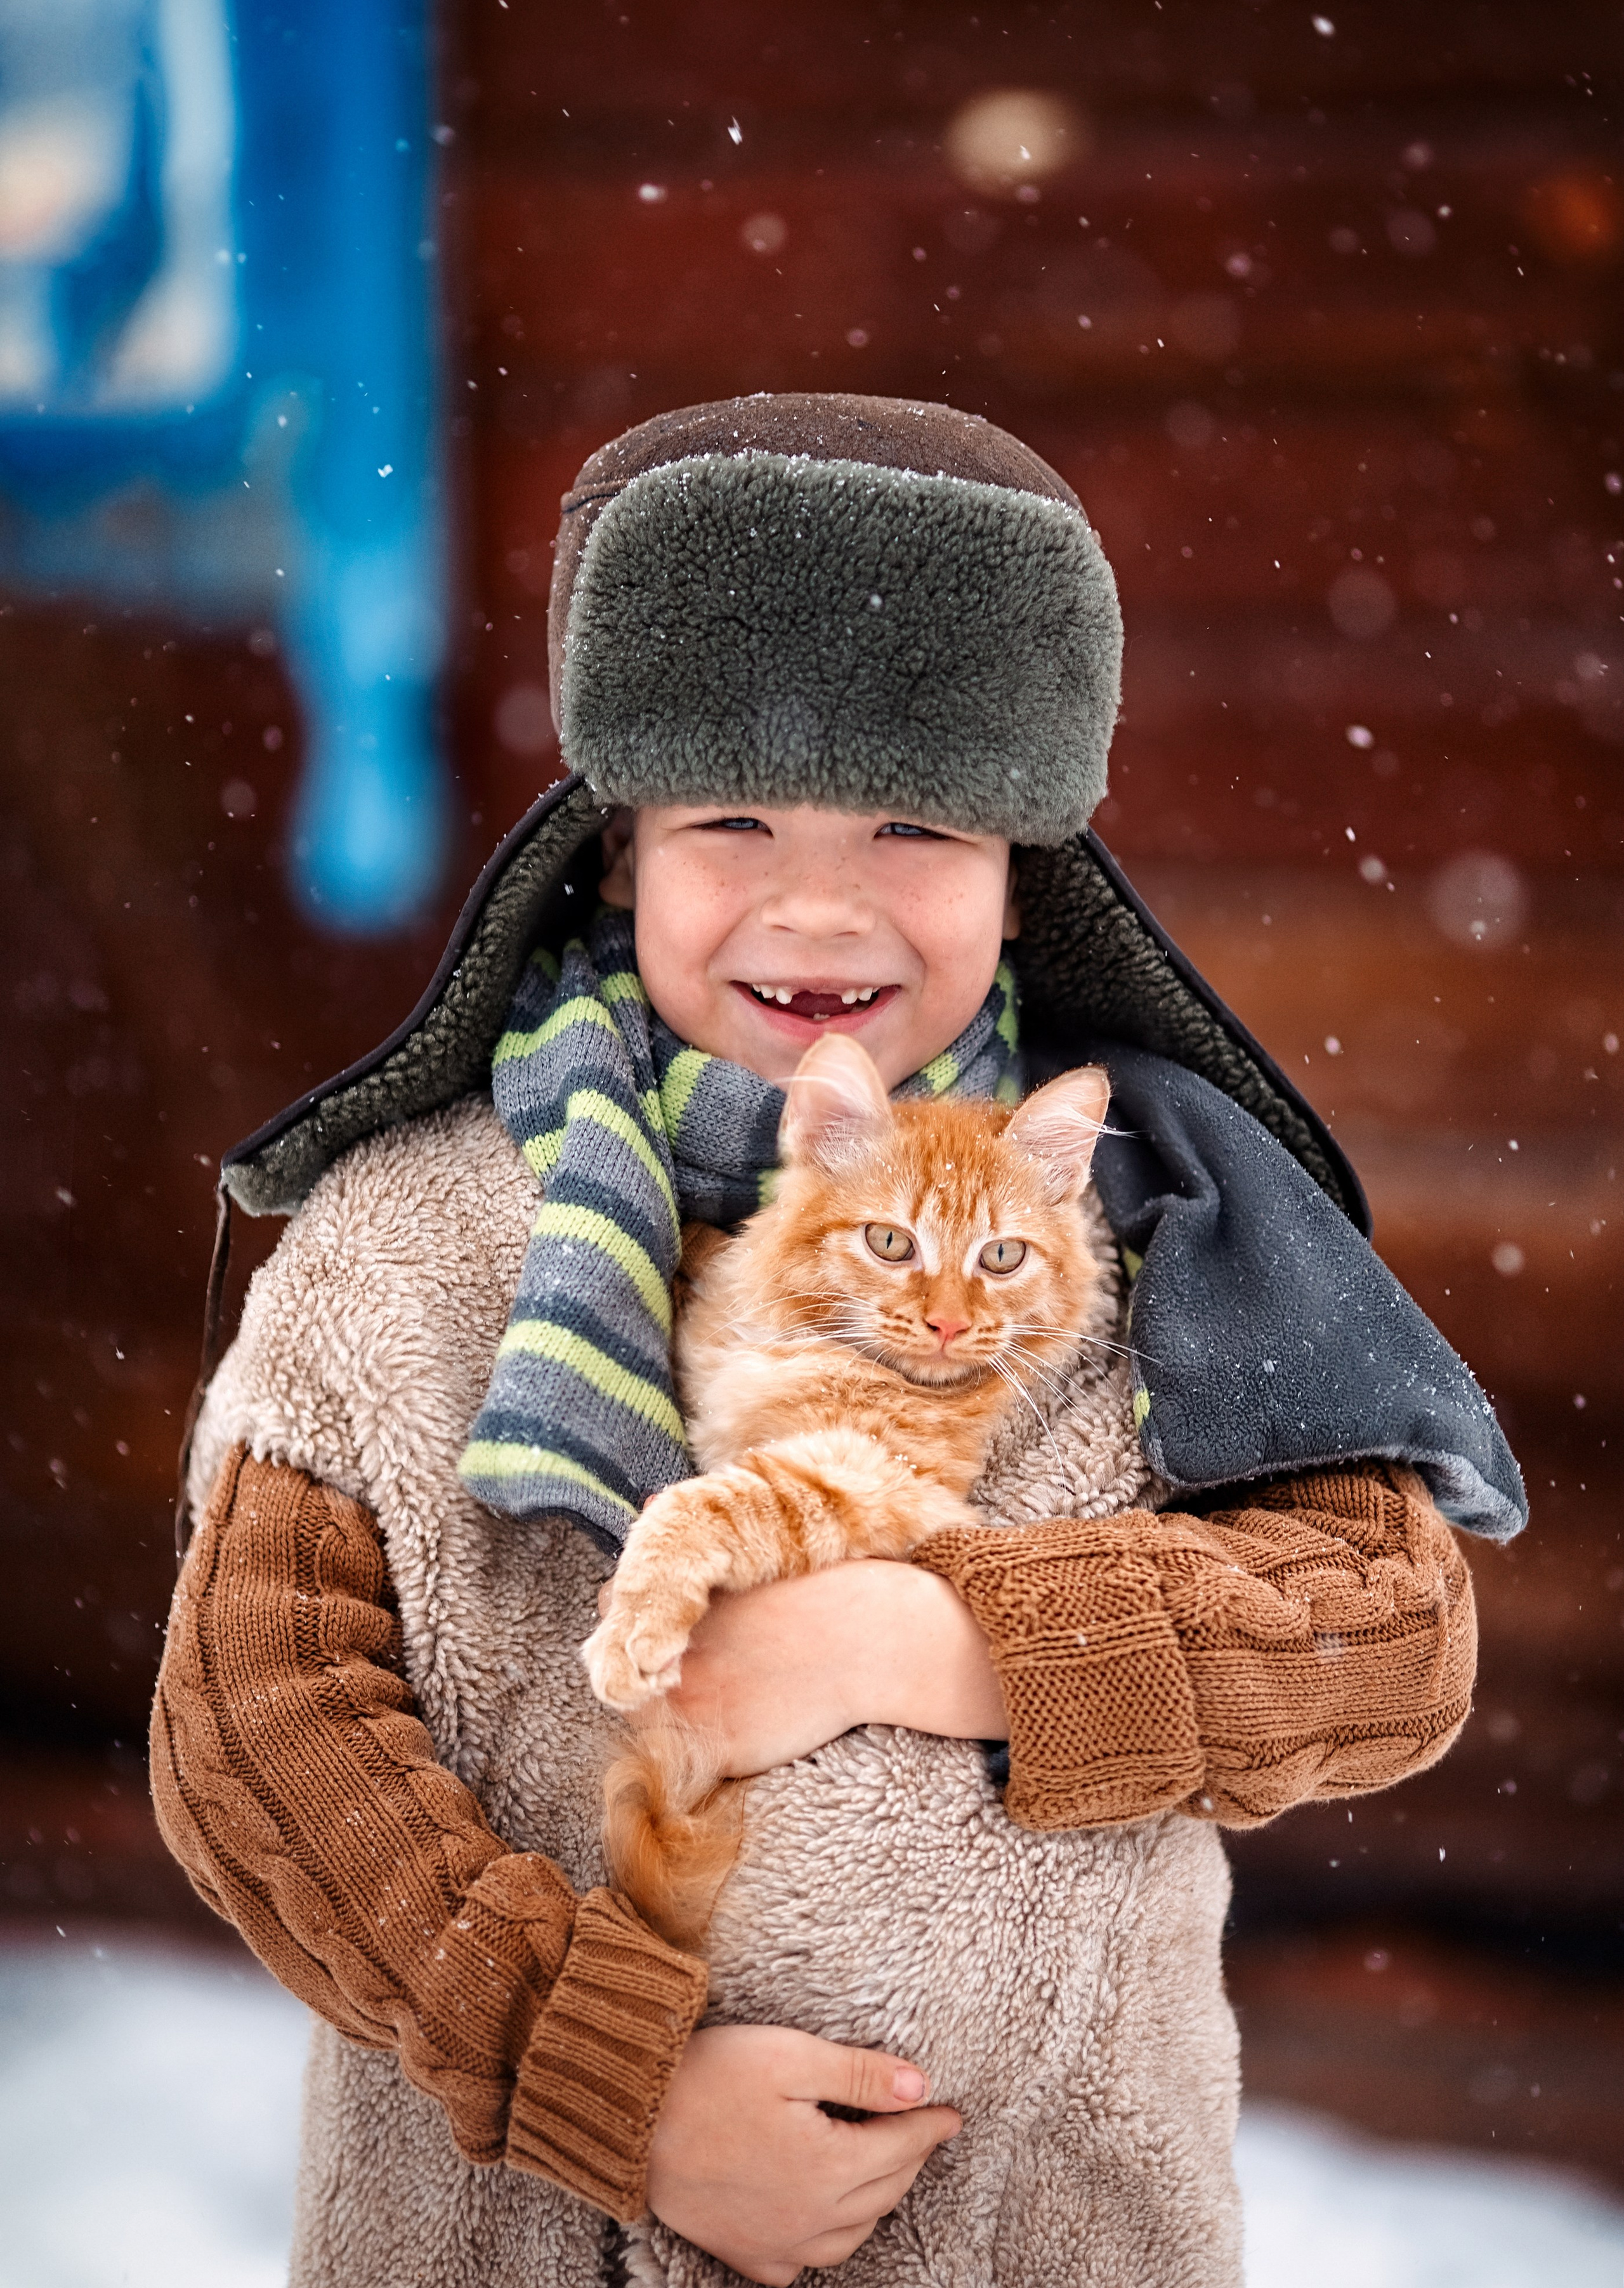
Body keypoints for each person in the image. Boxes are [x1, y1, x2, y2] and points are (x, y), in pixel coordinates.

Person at [152, 394, 1518, 2287]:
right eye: (732, 818)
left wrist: (943, 1639)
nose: (819, 903)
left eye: (913, 822)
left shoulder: (1157, 1224)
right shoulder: (413, 1236)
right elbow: (252, 1732)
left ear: (1021, 872)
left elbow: (1386, 1644)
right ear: (617, 852)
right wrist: (616, 2087)